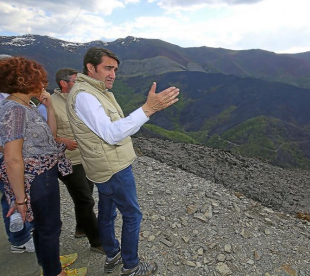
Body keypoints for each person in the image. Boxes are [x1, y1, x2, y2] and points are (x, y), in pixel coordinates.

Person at [66, 47, 179, 276]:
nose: (113, 74)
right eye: (108, 68)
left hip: (103, 166)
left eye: (115, 69)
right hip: (113, 167)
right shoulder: (86, 96)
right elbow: (111, 133)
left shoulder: (94, 90)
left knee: (108, 212)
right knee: (132, 215)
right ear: (90, 67)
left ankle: (112, 255)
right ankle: (131, 265)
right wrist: (149, 108)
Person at [0, 56, 87, 276]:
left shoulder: (23, 105)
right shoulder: (14, 109)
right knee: (49, 227)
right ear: (24, 80)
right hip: (37, 178)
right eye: (38, 78)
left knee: (43, 226)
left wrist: (48, 107)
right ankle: (54, 272)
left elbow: (50, 136)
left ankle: (48, 263)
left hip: (41, 175)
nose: (44, 83)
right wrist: (20, 199)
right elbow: (11, 157)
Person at [52, 68, 103, 253]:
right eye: (76, 81)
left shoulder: (79, 99)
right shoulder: (49, 104)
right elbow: (40, 137)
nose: (80, 84)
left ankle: (81, 228)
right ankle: (97, 242)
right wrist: (62, 141)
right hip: (67, 161)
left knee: (85, 195)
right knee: (86, 200)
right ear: (63, 84)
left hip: (85, 157)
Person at [0, 54, 34, 254]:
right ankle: (20, 239)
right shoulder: (8, 103)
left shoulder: (12, 97)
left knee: (13, 196)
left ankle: (23, 235)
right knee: (12, 198)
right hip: (7, 157)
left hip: (13, 155)